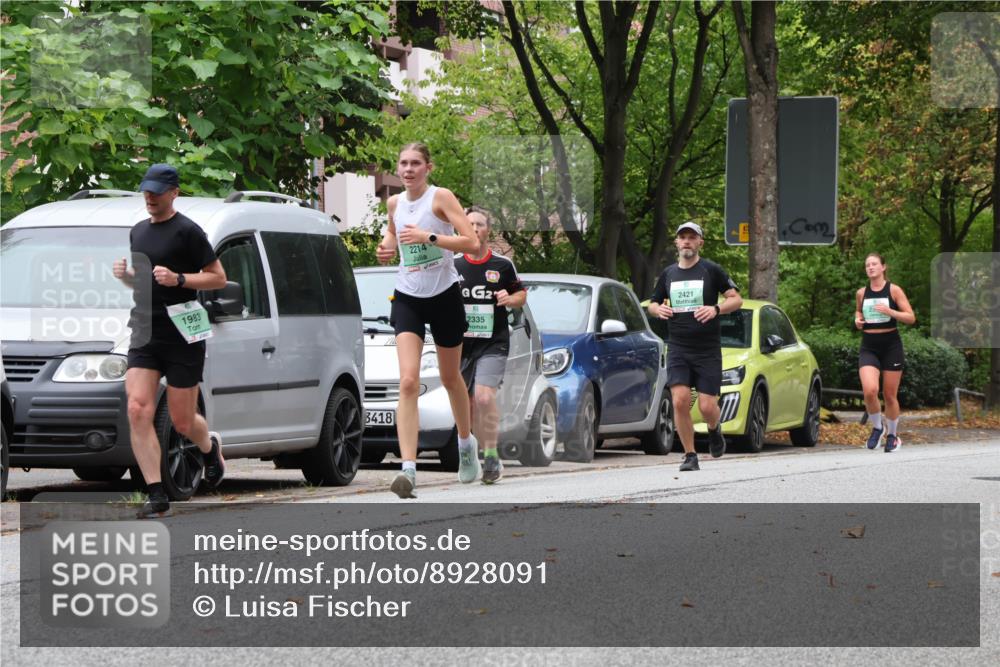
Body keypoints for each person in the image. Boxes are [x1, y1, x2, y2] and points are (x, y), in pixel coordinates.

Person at [112, 163, 228, 517]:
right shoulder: (138, 232)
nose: (150, 196)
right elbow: (146, 284)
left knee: (181, 421)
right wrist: (128, 278)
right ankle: (156, 493)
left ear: (174, 193)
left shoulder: (189, 232)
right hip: (145, 330)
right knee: (137, 409)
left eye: (157, 191)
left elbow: (218, 278)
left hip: (183, 333)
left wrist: (179, 279)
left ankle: (209, 449)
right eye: (146, 190)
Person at [376, 143, 479, 498]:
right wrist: (386, 246)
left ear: (428, 168)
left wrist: (429, 237)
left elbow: (473, 243)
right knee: (408, 381)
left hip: (444, 295)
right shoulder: (394, 203)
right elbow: (393, 233)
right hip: (408, 295)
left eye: (415, 164)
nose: (407, 169)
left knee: (451, 378)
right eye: (403, 163)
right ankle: (408, 470)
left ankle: (466, 444)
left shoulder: (440, 198)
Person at [648, 221, 742, 472]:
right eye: (683, 237)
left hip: (707, 349)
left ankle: (714, 430)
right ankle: (690, 455)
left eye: (692, 237)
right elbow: (652, 304)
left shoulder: (711, 270)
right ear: (677, 243)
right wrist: (659, 310)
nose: (687, 241)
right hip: (678, 346)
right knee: (679, 400)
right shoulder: (668, 274)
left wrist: (716, 309)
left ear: (700, 242)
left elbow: (736, 299)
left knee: (707, 406)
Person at [454, 206, 527, 484]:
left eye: (480, 224)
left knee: (484, 397)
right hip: (461, 344)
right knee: (468, 404)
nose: (474, 228)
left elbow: (521, 294)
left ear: (488, 231)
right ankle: (472, 451)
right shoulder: (454, 265)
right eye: (469, 223)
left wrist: (511, 299)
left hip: (493, 342)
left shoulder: (502, 265)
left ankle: (493, 455)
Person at [854, 253, 915, 452]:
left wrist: (891, 312)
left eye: (874, 264)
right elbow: (858, 312)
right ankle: (877, 428)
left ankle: (893, 435)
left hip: (891, 345)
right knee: (870, 391)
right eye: (867, 265)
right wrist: (857, 320)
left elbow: (910, 317)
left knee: (889, 395)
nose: (870, 267)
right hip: (869, 345)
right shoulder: (861, 293)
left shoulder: (894, 290)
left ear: (883, 267)